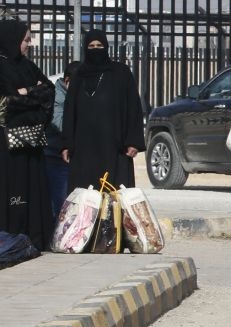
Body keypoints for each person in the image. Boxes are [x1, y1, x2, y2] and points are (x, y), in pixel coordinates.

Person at [62, 30, 144, 190]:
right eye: (91, 46)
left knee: (113, 193)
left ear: (106, 47)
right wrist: (66, 144)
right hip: (83, 148)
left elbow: (133, 108)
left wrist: (133, 141)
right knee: (85, 194)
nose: (95, 49)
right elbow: (70, 111)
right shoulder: (79, 75)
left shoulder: (120, 73)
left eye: (99, 45)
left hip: (114, 146)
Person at [0, 19, 55, 251]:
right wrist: (31, 96)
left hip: (31, 142)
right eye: (25, 40)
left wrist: (26, 93)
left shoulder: (28, 66)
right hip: (6, 147)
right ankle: (11, 239)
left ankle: (33, 238)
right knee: (12, 193)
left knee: (33, 191)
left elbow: (49, 91)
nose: (28, 44)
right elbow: (5, 104)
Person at [47, 61, 77, 216]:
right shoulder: (57, 96)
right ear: (67, 81)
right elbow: (59, 123)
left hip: (70, 157)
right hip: (55, 157)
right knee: (60, 206)